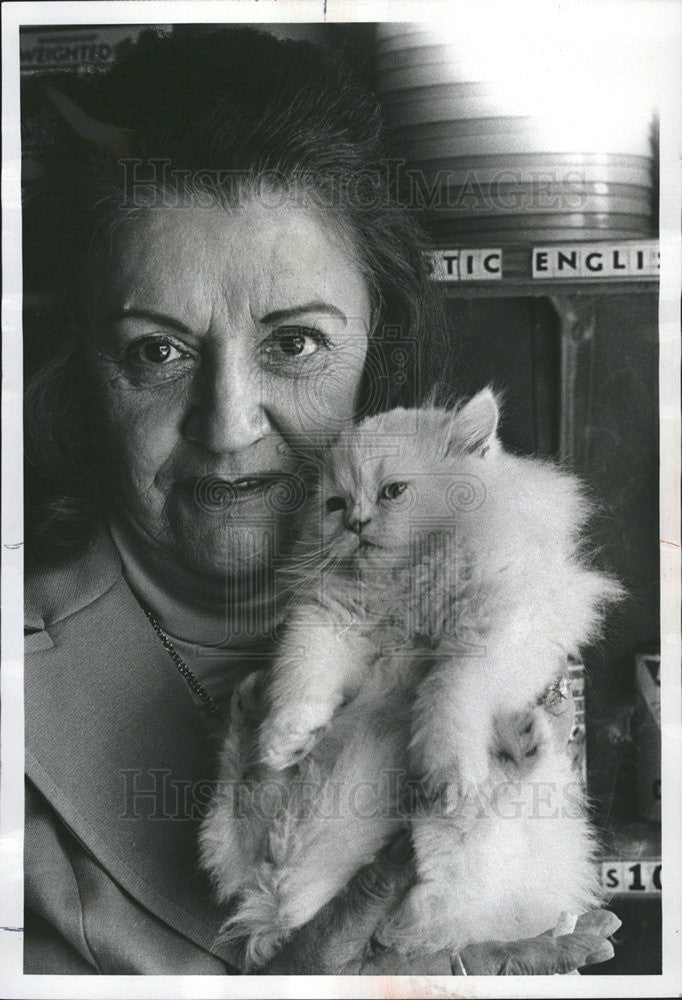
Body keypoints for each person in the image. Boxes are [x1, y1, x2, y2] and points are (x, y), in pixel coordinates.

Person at [22, 26, 620, 975]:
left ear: (378, 351)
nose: (226, 425)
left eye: (296, 343)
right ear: (77, 375)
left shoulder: (487, 588)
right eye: (155, 350)